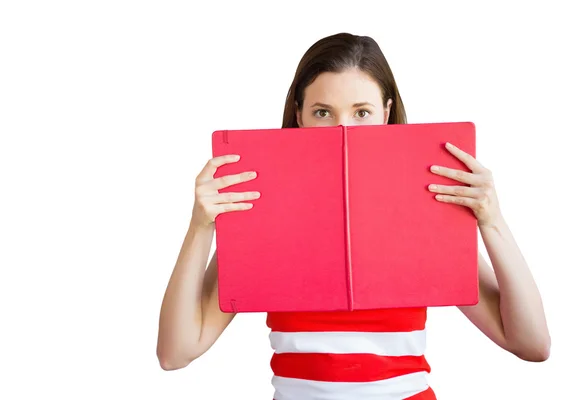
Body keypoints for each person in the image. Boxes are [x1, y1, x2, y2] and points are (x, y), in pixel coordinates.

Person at [157, 32, 551, 400]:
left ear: (386, 112)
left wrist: (492, 221)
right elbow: (175, 353)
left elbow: (531, 343)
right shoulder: (261, 208)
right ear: (299, 115)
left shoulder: (425, 206)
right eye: (323, 112)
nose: (342, 130)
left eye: (361, 112)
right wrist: (200, 226)